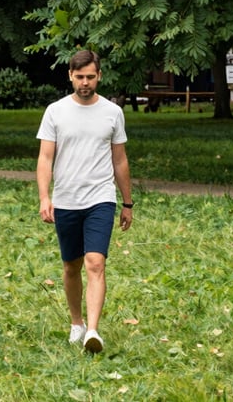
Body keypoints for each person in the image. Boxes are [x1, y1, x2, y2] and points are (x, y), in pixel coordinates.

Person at [36, 50, 134, 353]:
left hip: (101, 199)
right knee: (71, 266)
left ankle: (93, 331)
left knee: (95, 262)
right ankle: (76, 323)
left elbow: (120, 161)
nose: (85, 82)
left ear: (99, 76)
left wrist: (127, 203)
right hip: (66, 200)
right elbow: (45, 157)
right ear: (70, 76)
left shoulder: (112, 112)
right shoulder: (55, 111)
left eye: (90, 76)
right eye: (79, 77)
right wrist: (44, 197)